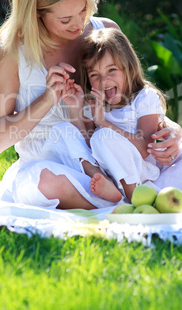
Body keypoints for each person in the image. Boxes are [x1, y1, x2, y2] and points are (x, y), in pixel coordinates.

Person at [0, 0, 182, 211]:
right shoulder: (10, 51)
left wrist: (172, 129)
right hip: (58, 167)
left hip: (117, 156)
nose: (79, 25)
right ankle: (123, 203)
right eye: (65, 19)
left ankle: (117, 201)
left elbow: (137, 94)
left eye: (83, 10)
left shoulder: (104, 32)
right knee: (43, 184)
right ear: (36, 14)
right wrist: (47, 99)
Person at [43, 27, 167, 202]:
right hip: (107, 171)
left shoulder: (144, 98)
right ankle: (107, 183)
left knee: (103, 136)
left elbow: (146, 148)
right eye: (95, 74)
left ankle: (133, 197)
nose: (104, 80)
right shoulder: (96, 102)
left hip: (140, 172)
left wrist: (103, 123)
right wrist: (75, 107)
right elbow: (88, 145)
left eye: (111, 70)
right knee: (64, 130)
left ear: (128, 68)